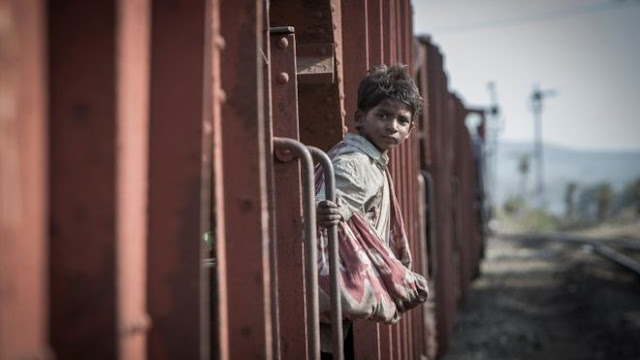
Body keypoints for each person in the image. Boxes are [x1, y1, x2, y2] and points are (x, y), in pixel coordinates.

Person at [315, 64, 429, 358]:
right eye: (383, 115)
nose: (392, 126)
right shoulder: (357, 163)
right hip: (334, 286)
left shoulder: (363, 158)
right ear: (359, 118)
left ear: (410, 129)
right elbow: (328, 203)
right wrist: (327, 211)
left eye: (402, 120)